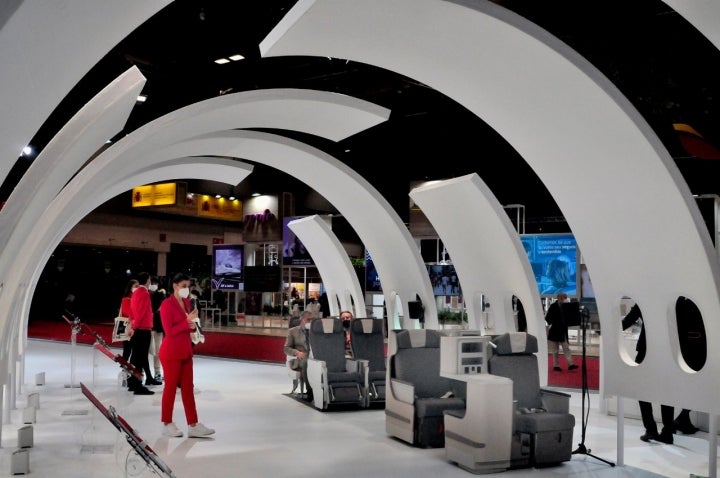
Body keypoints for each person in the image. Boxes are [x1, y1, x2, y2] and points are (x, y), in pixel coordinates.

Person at [159, 272, 215, 438]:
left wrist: (192, 323)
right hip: (171, 353)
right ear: (175, 286)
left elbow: (187, 327)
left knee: (188, 390)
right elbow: (169, 331)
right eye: (183, 286)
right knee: (170, 389)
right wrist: (186, 322)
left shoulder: (186, 302)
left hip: (185, 352)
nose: (186, 289)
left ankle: (193, 424)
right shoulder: (167, 305)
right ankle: (167, 423)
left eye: (188, 286)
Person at [621, 303, 674, 444]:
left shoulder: (643, 300)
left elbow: (627, 321)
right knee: (666, 393)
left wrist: (610, 330)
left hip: (646, 350)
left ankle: (651, 429)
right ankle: (667, 432)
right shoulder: (670, 299)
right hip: (667, 350)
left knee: (642, 391)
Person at [129, 272, 161, 394]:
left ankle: (133, 383)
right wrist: (136, 326)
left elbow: (132, 311)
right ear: (147, 281)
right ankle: (137, 385)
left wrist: (133, 325)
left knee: (136, 357)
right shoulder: (144, 293)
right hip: (143, 329)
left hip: (138, 328)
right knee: (140, 358)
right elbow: (141, 312)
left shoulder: (136, 292)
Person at [284, 310, 314, 401]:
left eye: (312, 320)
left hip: (313, 356)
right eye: (308, 320)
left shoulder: (315, 331)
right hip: (300, 358)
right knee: (306, 363)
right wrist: (297, 352)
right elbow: (286, 348)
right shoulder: (293, 331)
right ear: (302, 319)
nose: (310, 322)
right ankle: (310, 392)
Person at [544, 292, 578, 372]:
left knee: (566, 348)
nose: (564, 300)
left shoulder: (566, 307)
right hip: (554, 330)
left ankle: (571, 364)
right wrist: (553, 322)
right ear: (558, 298)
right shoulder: (553, 306)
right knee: (555, 350)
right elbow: (547, 318)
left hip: (562, 331)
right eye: (563, 298)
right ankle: (556, 365)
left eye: (564, 298)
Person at [149, 276, 166, 383]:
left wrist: (153, 312)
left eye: (155, 283)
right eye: (152, 283)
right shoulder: (146, 293)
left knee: (158, 351)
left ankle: (157, 373)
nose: (154, 285)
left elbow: (162, 306)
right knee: (146, 351)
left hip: (158, 327)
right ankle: (140, 372)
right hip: (147, 327)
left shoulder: (161, 293)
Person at [119, 279, 138, 362]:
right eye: (135, 286)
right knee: (127, 350)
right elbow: (127, 313)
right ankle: (125, 368)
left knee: (134, 350)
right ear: (130, 287)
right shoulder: (127, 299)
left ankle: (131, 369)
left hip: (134, 327)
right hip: (128, 327)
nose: (137, 288)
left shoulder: (136, 298)